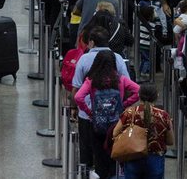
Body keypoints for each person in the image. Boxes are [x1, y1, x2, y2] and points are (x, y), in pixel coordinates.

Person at [71, 26, 131, 175]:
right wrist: (122, 105)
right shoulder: (117, 58)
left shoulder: (84, 59)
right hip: (113, 116)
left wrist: (76, 109)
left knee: (86, 151)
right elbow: (129, 85)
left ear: (91, 42)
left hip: (88, 115)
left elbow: (76, 89)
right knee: (110, 151)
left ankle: (85, 174)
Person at [75, 50, 139, 179]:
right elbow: (138, 91)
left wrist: (89, 112)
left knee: (99, 158)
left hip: (97, 124)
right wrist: (124, 104)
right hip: (117, 124)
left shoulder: (92, 81)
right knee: (115, 158)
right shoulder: (120, 80)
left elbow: (78, 97)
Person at [116, 84, 174, 179]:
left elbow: (115, 133)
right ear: (157, 96)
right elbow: (170, 141)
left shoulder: (129, 113)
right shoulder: (163, 115)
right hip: (155, 159)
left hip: (132, 157)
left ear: (138, 95)